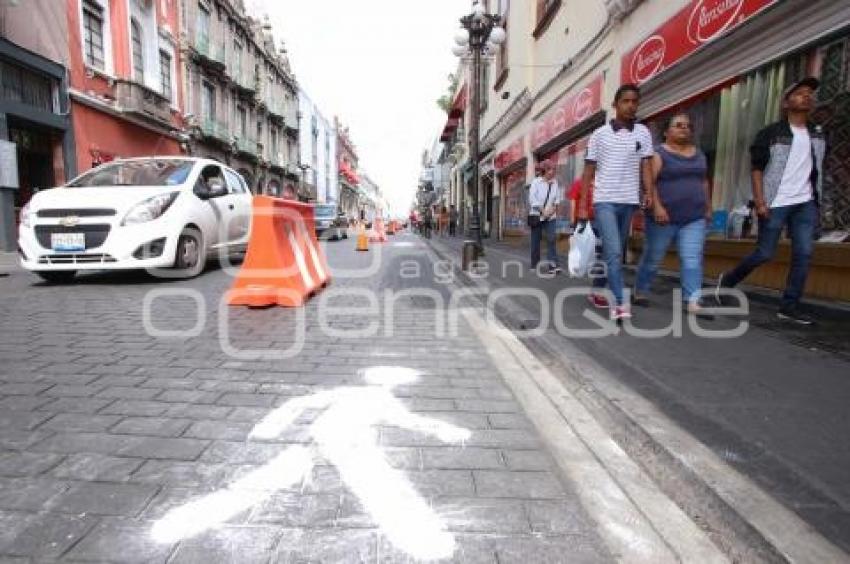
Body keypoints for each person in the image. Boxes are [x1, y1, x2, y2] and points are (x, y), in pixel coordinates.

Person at [715, 77, 826, 325]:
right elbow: (757, 169)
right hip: (776, 201)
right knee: (765, 252)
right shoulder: (771, 133)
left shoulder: (817, 133)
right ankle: (729, 280)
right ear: (786, 103)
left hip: (806, 201)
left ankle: (789, 305)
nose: (806, 97)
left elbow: (818, 168)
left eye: (809, 94)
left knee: (804, 253)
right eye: (800, 93)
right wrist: (760, 201)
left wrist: (818, 202)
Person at [578, 84, 655, 321]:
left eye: (635, 101)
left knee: (613, 252)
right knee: (613, 252)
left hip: (629, 201)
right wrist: (582, 205)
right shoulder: (599, 135)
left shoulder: (643, 132)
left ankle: (596, 291)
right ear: (615, 105)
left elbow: (646, 166)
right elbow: (588, 172)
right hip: (605, 202)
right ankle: (620, 303)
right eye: (626, 101)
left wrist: (649, 192)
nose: (631, 106)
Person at [633, 112, 712, 316]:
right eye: (678, 125)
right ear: (667, 132)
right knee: (653, 256)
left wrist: (708, 207)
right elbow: (650, 182)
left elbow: (703, 182)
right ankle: (640, 290)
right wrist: (657, 207)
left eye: (687, 125)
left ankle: (692, 301)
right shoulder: (658, 153)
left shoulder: (699, 154)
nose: (684, 128)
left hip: (694, 217)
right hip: (664, 218)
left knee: (692, 258)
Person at [568, 177, 607, 307]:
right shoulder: (580, 182)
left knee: (602, 255)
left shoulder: (604, 181)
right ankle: (585, 270)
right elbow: (573, 201)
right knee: (590, 253)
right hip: (586, 222)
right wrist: (573, 221)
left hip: (602, 221)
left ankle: (597, 288)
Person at [528, 161, 563, 274]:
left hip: (550, 217)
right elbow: (533, 199)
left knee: (551, 239)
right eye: (550, 169)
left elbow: (557, 200)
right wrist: (543, 212)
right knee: (535, 241)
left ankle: (553, 266)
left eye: (553, 169)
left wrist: (551, 211)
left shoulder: (555, 183)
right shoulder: (536, 182)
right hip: (537, 215)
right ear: (544, 171)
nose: (552, 172)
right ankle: (534, 264)